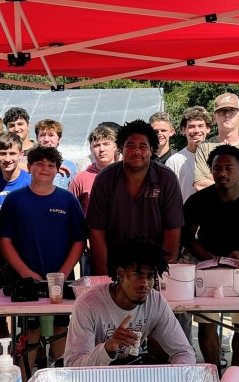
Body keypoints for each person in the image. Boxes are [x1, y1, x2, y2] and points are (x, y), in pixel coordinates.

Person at [182, 145, 239, 371]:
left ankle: (237, 374)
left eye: (228, 168)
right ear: (210, 171)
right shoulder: (197, 201)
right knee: (207, 323)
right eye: (216, 168)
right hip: (206, 266)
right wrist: (208, 258)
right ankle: (214, 373)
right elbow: (187, 237)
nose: (222, 173)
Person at [0, 145, 87, 363]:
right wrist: (25, 272)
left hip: (61, 282)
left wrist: (63, 274)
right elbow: (5, 241)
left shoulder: (67, 200)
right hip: (26, 282)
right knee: (29, 336)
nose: (45, 169)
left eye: (51, 165)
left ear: (58, 170)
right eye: (39, 163)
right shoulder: (15, 200)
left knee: (61, 334)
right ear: (29, 167)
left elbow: (79, 241)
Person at [64, 237, 195, 367]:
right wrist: (107, 349)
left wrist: (176, 377)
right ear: (120, 273)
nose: (145, 283)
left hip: (135, 374)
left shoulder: (156, 302)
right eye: (138, 275)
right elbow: (74, 366)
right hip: (94, 381)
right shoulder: (87, 305)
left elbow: (184, 352)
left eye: (150, 276)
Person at [86, 120, 184, 276]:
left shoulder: (166, 178)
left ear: (152, 150)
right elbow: (97, 231)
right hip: (114, 267)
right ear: (121, 149)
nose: (136, 151)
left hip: (153, 270)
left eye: (143, 146)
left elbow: (172, 229)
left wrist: (161, 274)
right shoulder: (104, 179)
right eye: (130, 146)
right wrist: (105, 276)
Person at [193, 93, 239, 191]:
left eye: (232, 110)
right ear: (214, 118)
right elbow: (200, 186)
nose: (227, 114)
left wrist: (213, 177)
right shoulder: (204, 147)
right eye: (222, 111)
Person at [68, 124, 117, 215]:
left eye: (106, 144)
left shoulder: (128, 174)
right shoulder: (80, 179)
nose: (102, 149)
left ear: (115, 146)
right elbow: (70, 211)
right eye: (97, 146)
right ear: (91, 149)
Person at [165, 106, 211, 202]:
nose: (196, 131)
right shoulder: (174, 161)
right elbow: (168, 198)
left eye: (200, 126)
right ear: (183, 130)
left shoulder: (219, 158)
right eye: (191, 126)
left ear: (208, 129)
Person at [34, 118, 77, 190]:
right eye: (42, 135)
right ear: (37, 138)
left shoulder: (70, 166)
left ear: (59, 139)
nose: (46, 139)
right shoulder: (31, 164)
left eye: (51, 135)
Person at [0, 131, 31, 205]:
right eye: (3, 153)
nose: (7, 159)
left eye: (12, 154)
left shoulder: (30, 183)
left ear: (21, 154)